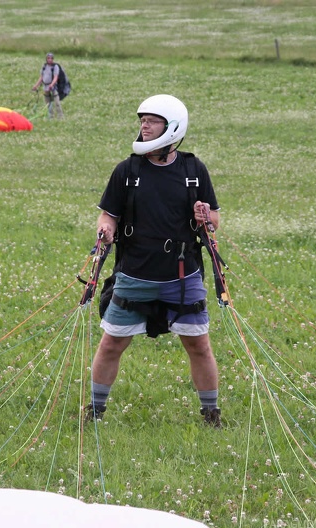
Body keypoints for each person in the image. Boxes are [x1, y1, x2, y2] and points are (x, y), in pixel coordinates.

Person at [86, 94, 223, 427]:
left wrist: (205, 216)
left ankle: (211, 414)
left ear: (171, 128)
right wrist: (105, 230)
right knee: (111, 344)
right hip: (134, 274)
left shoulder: (193, 170)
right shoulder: (127, 170)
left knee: (199, 346)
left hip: (183, 276)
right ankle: (94, 411)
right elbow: (109, 216)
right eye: (142, 121)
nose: (143, 126)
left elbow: (215, 220)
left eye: (151, 121)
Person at [31, 52, 64, 119]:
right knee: (48, 103)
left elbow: (55, 77)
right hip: (45, 87)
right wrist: (36, 86)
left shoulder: (55, 67)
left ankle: (60, 116)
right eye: (48, 58)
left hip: (53, 87)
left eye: (51, 58)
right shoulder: (44, 67)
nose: (50, 59)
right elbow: (41, 77)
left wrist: (52, 84)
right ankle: (50, 116)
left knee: (57, 102)